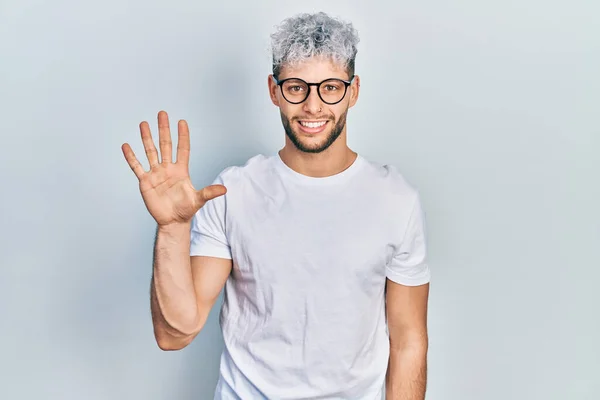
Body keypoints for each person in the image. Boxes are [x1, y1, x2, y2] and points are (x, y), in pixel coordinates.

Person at [122, 11, 430, 400]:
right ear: (274, 90)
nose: (313, 106)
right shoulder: (232, 193)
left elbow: (409, 343)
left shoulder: (396, 200)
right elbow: (174, 333)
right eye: (297, 87)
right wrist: (171, 228)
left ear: (353, 91)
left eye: (330, 87)